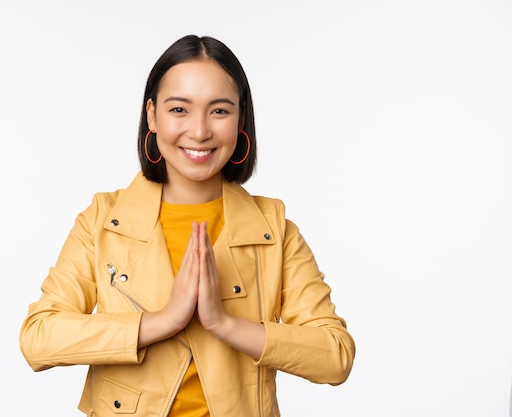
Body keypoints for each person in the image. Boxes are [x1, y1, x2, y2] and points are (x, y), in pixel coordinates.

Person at [19, 34, 355, 417]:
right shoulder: (103, 220)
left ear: (240, 118)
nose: (199, 131)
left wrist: (224, 324)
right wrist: (161, 322)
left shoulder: (274, 230)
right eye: (179, 109)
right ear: (152, 116)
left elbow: (335, 355)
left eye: (219, 111)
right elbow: (39, 338)